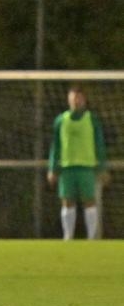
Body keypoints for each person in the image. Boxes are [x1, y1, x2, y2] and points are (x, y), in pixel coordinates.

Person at [47, 86, 110, 240]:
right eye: (73, 97)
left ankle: (91, 237)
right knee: (67, 202)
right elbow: (56, 146)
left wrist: (102, 167)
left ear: (84, 100)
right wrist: (52, 168)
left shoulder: (92, 119)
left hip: (87, 167)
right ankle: (68, 236)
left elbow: (99, 143)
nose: (76, 101)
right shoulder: (61, 120)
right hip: (67, 167)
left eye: (79, 98)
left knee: (89, 201)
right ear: (69, 100)